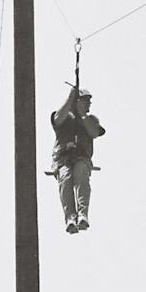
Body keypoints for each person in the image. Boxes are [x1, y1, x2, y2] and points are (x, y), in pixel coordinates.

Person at [49, 85, 104, 233]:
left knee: (81, 174)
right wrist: (70, 99)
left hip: (81, 158)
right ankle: (70, 218)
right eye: (86, 101)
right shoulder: (65, 116)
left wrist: (82, 115)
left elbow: (93, 132)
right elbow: (57, 119)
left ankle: (82, 215)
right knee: (65, 180)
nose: (89, 104)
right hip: (63, 159)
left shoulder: (90, 119)